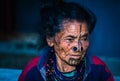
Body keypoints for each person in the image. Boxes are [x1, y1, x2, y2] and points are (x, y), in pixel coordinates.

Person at [18, 1, 114, 81]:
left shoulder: (98, 71)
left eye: (84, 38)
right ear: (50, 39)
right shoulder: (34, 73)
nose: (79, 47)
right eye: (69, 39)